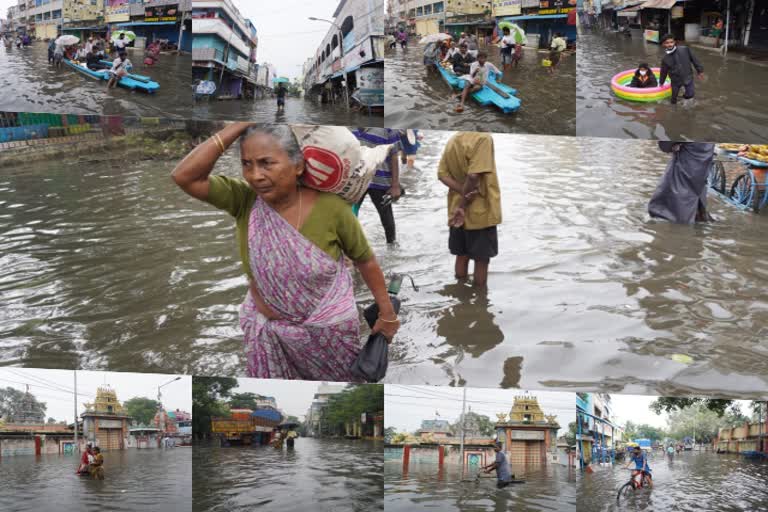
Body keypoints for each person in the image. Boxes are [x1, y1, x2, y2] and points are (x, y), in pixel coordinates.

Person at [172, 123, 400, 380]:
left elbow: (365, 261)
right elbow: (185, 177)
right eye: (247, 164)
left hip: (329, 331)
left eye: (267, 163)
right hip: (269, 331)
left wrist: (387, 314)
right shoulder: (244, 200)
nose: (255, 175)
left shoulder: (332, 209)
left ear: (298, 166)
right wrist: (238, 126)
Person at [437, 132, 502, 288]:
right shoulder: (483, 138)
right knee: (481, 259)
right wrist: (464, 203)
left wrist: (461, 194)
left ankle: (461, 294)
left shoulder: (453, 139)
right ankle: (480, 301)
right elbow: (473, 176)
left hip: (455, 211)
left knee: (461, 255)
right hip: (480, 212)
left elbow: (442, 175)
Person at [353, 128, 402, 245]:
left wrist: (395, 185)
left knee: (386, 217)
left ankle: (392, 248)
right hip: (356, 181)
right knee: (349, 215)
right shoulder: (348, 128)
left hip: (380, 181)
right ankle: (351, 247)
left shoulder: (389, 130)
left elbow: (394, 157)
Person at [648, 142, 715, 224]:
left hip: (683, 167)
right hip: (700, 167)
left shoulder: (687, 130)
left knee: (674, 205)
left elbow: (665, 145)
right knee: (693, 196)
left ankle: (678, 227)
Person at [658, 34, 704, 105]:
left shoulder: (684, 49)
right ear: (663, 44)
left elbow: (694, 59)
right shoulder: (665, 59)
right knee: (673, 98)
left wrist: (700, 71)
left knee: (690, 94)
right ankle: (674, 109)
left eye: (671, 42)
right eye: (667, 43)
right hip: (675, 80)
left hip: (688, 77)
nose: (670, 44)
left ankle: (684, 100)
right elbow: (663, 72)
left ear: (674, 42)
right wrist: (661, 83)